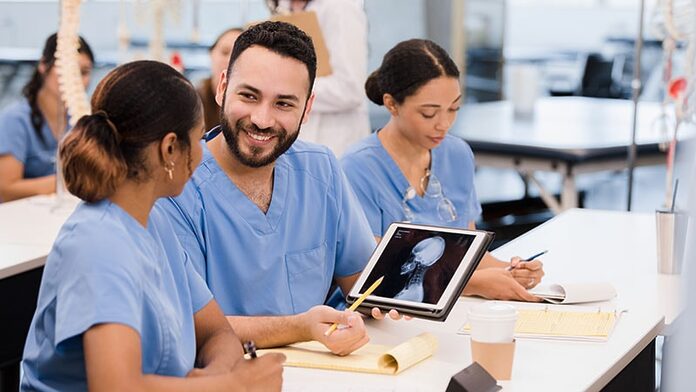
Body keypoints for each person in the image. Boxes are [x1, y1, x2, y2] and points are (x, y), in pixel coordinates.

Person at [20, 60, 284, 391]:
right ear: (170, 148)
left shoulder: (154, 221)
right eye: (199, 140)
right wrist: (231, 386)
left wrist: (217, 375)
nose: (203, 155)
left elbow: (217, 333)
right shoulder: (97, 244)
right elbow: (116, 386)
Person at [157, 21, 387, 357]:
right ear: (222, 88)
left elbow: (362, 285)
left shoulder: (320, 169)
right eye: (249, 96)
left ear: (307, 108)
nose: (262, 119)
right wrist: (301, 327)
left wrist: (390, 300)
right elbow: (189, 324)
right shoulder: (176, 189)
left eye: (284, 104)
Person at [341, 39, 545, 302]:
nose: (444, 124)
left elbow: (468, 255)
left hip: (455, 310)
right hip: (381, 320)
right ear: (391, 104)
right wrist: (469, 283)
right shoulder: (357, 168)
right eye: (429, 113)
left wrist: (511, 270)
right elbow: (375, 277)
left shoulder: (457, 154)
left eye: (454, 109)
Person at [266, 0, 370, 157]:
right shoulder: (282, 7)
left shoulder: (340, 7)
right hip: (295, 143)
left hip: (335, 143)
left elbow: (350, 89)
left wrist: (286, 89)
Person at [0, 33, 94, 202]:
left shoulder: (82, 121)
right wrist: (68, 183)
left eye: (84, 72)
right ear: (44, 65)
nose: (75, 80)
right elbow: (5, 188)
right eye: (66, 70)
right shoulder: (15, 120)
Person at [198, 27, 243, 131]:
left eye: (238, 54)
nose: (230, 60)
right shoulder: (192, 99)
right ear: (211, 54)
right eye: (225, 52)